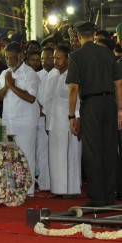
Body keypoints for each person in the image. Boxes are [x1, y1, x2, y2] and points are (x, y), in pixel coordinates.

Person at [66, 21, 122, 206]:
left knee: (92, 151)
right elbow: (119, 84)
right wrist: (120, 109)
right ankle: (109, 196)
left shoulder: (76, 56)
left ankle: (97, 198)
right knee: (109, 149)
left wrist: (71, 116)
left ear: (79, 36)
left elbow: (73, 88)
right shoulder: (108, 53)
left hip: (91, 105)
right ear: (94, 34)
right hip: (110, 104)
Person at [0, 41, 40, 196]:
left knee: (26, 157)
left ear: (21, 56)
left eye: (12, 58)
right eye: (7, 58)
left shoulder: (30, 73)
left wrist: (12, 86)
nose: (9, 61)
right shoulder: (4, 73)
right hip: (8, 121)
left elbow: (31, 98)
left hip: (26, 123)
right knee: (9, 157)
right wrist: (6, 86)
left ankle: (28, 191)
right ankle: (13, 190)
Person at [44, 45, 81, 196]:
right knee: (55, 156)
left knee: (70, 155)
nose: (55, 61)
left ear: (68, 59)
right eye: (54, 58)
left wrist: (77, 119)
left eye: (59, 58)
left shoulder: (74, 74)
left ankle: (70, 189)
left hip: (68, 121)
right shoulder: (52, 74)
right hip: (53, 122)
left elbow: (78, 100)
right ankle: (58, 189)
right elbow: (47, 100)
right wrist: (47, 121)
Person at [35, 47, 54, 191]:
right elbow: (32, 96)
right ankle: (44, 183)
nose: (45, 62)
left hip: (57, 118)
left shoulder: (61, 74)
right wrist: (40, 109)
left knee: (56, 152)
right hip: (40, 119)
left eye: (48, 58)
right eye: (43, 59)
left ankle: (57, 183)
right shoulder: (36, 75)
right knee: (41, 151)